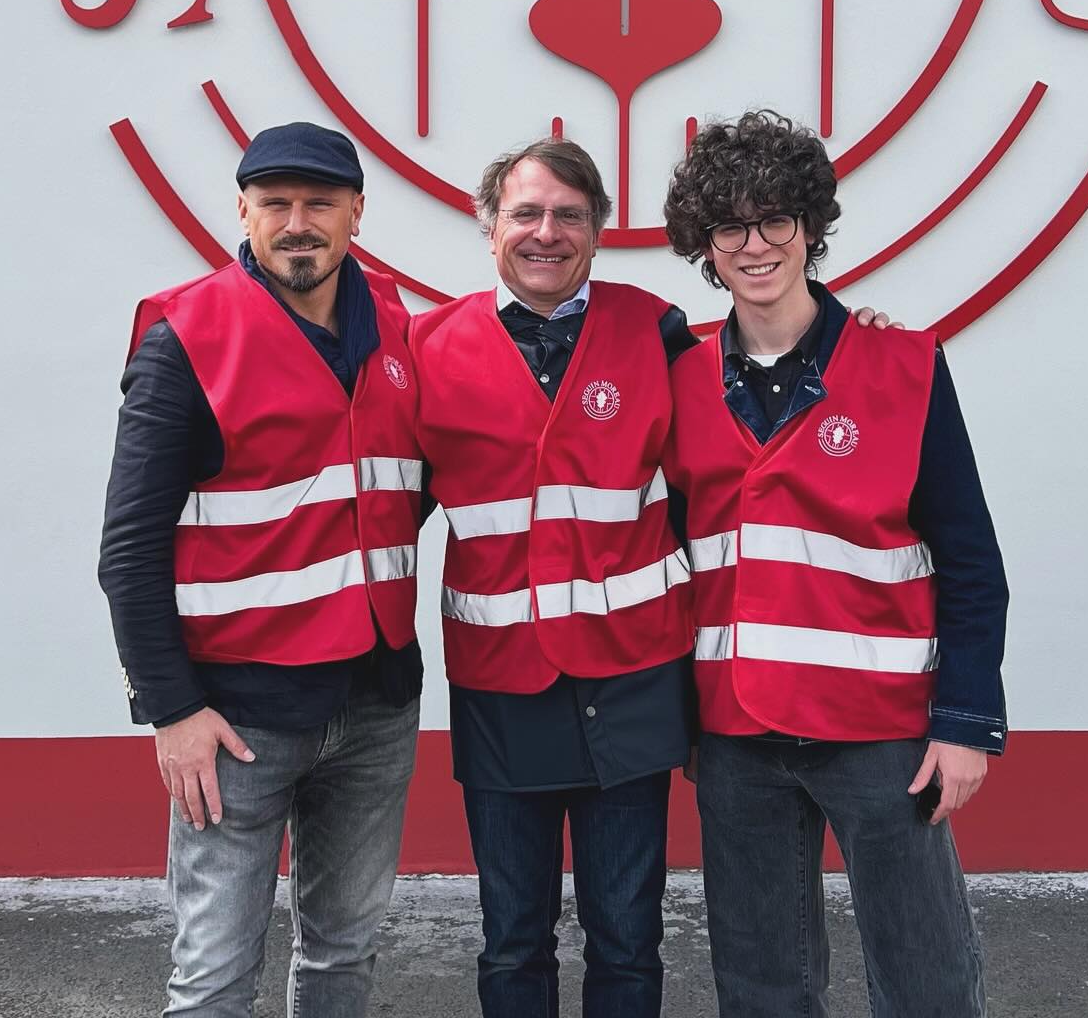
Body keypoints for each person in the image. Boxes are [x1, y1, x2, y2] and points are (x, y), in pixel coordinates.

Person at [662, 110, 1008, 1018]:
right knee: (763, 987)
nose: (755, 243)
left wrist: (967, 721)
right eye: (730, 225)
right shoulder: (678, 376)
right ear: (706, 243)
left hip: (883, 734)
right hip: (736, 736)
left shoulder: (906, 365)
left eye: (776, 218)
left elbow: (971, 559)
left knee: (927, 979)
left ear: (810, 227)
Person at [99, 122, 425, 1016]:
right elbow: (127, 550)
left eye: (319, 202)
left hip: (376, 702)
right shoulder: (184, 340)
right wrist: (170, 710)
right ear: (240, 210)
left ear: (357, 212)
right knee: (212, 978)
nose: (296, 222)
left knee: (343, 957)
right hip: (235, 719)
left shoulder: (399, 327)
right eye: (274, 202)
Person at [405, 135, 695, 1017]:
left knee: (627, 939)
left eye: (569, 215)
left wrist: (855, 322)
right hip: (502, 687)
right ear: (489, 226)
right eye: (526, 213)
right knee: (512, 941)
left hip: (635, 680)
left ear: (599, 232)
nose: (547, 232)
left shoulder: (660, 330)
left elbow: (764, 385)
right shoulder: (425, 346)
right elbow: (374, 501)